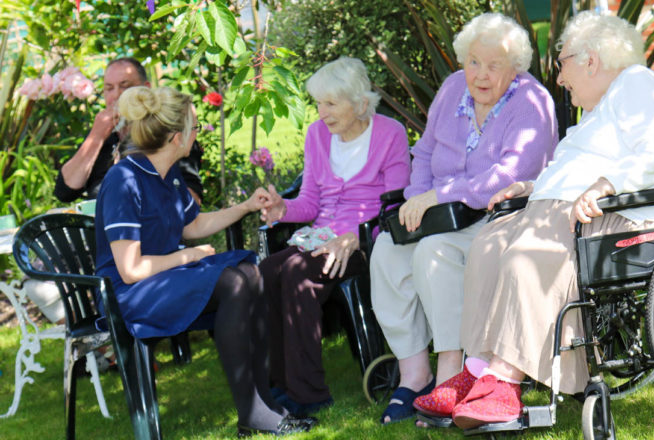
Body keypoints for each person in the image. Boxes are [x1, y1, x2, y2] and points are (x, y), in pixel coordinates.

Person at [448, 12, 654, 429]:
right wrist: (529, 187)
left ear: (590, 60)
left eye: (563, 65)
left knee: (527, 257)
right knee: (487, 246)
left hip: (622, 220)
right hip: (563, 211)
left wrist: (606, 185)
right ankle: (478, 370)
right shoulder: (596, 112)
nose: (560, 78)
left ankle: (505, 381)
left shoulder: (636, 83)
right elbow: (569, 171)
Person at [94, 86, 316, 437]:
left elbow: (193, 224)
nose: (196, 136)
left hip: (162, 281)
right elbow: (130, 269)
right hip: (128, 294)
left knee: (249, 272)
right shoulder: (124, 180)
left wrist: (245, 207)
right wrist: (187, 255)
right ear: (176, 137)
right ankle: (254, 413)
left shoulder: (167, 173)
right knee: (233, 282)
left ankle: (265, 404)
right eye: (194, 128)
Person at [369, 12, 558, 424]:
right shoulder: (453, 88)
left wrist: (440, 195)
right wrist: (418, 199)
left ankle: (452, 370)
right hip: (441, 213)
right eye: (474, 62)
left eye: (494, 65)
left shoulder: (531, 102)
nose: (481, 75)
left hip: (497, 217)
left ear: (516, 68)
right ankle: (414, 372)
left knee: (433, 254)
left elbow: (511, 174)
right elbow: (423, 152)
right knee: (386, 252)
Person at [256, 57, 411, 417]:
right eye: (318, 103)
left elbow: (394, 204)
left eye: (330, 103)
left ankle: (309, 394)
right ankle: (280, 385)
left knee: (297, 273)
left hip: (367, 241)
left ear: (359, 102)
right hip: (321, 237)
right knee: (266, 272)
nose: (321, 112)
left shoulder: (390, 133)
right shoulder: (317, 134)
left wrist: (355, 236)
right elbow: (310, 202)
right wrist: (283, 209)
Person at [54, 57, 203, 205]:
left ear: (146, 89)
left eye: (125, 86)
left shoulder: (167, 135)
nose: (117, 95)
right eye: (109, 88)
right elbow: (65, 192)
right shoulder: (102, 135)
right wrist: (96, 137)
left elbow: (192, 200)